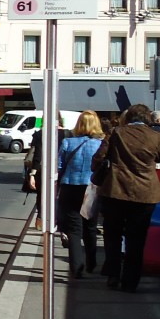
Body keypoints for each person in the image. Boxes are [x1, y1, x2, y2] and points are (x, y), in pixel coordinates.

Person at [92, 102, 160, 291]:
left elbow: (100, 156)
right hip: (145, 194)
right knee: (137, 239)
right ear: (147, 119)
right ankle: (130, 281)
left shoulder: (117, 133)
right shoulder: (156, 136)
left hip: (116, 190)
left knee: (112, 235)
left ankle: (113, 274)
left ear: (129, 117)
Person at [56, 110, 105, 279]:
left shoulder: (68, 142)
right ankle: (91, 262)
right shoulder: (101, 144)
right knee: (90, 227)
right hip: (91, 188)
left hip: (70, 186)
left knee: (74, 229)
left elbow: (59, 166)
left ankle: (77, 266)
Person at [26, 114, 70, 230]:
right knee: (59, 197)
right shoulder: (68, 134)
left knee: (42, 195)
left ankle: (41, 219)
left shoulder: (41, 133)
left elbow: (37, 155)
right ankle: (59, 224)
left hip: (43, 170)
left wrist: (32, 174)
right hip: (63, 170)